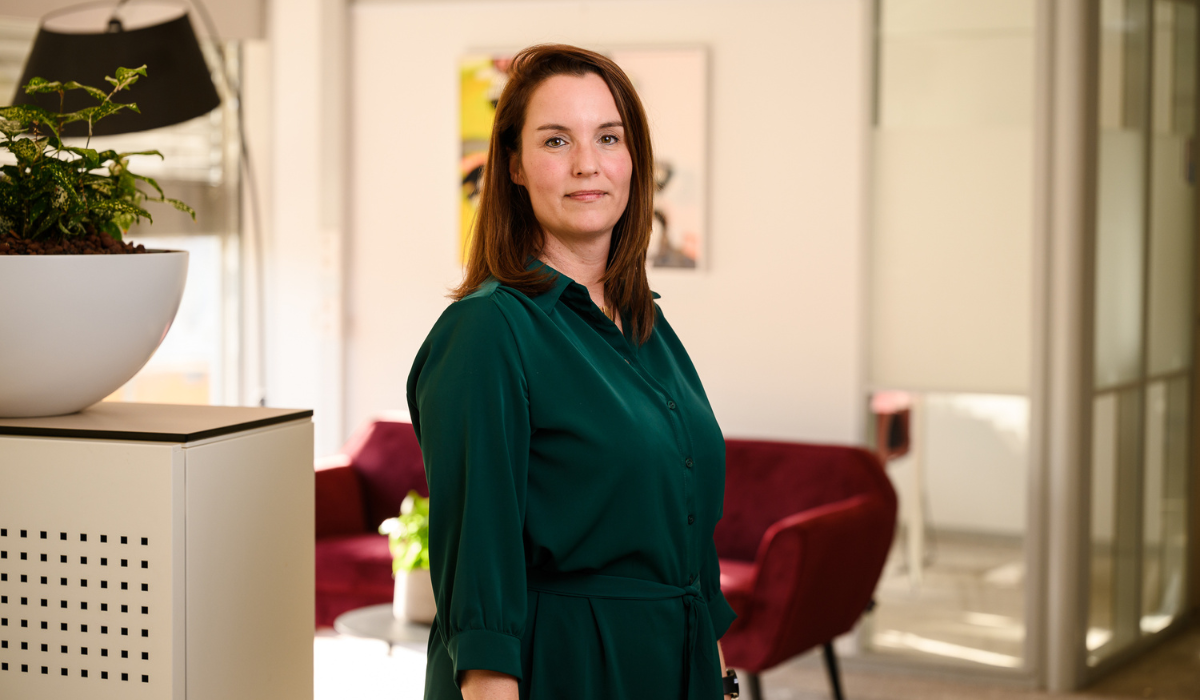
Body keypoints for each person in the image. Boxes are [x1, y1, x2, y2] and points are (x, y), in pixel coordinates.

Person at [407, 44, 737, 700]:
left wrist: (718, 682)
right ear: (516, 167)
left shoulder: (646, 328)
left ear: (634, 159)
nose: (587, 163)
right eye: (556, 140)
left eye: (607, 138)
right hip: (568, 673)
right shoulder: (488, 331)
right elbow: (480, 598)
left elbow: (693, 553)